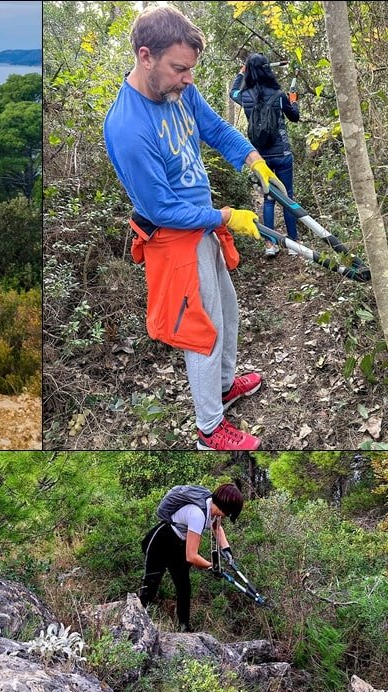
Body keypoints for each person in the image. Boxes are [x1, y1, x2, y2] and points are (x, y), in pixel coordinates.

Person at [103, 4, 275, 451]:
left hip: (201, 229)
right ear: (146, 57)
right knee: (201, 331)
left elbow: (214, 128)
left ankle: (222, 387)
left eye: (191, 69)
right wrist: (225, 216)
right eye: (180, 68)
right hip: (174, 239)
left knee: (228, 313)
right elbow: (161, 209)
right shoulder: (127, 127)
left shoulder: (178, 92)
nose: (188, 78)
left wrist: (252, 158)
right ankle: (208, 430)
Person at [137, 483, 244, 631]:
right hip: (161, 541)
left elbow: (216, 527)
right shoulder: (198, 514)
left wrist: (226, 549)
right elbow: (191, 556)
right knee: (150, 585)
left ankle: (184, 628)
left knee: (184, 587)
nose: (225, 517)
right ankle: (134, 623)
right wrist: (212, 567)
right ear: (225, 508)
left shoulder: (212, 508)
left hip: (178, 544)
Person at [231, 53, 301, 257]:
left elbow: (233, 92)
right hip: (282, 153)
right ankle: (294, 244)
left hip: (260, 157)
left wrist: (240, 72)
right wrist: (293, 101)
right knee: (287, 197)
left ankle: (271, 244)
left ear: (249, 71)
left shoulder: (244, 96)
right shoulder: (279, 95)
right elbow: (294, 117)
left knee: (269, 198)